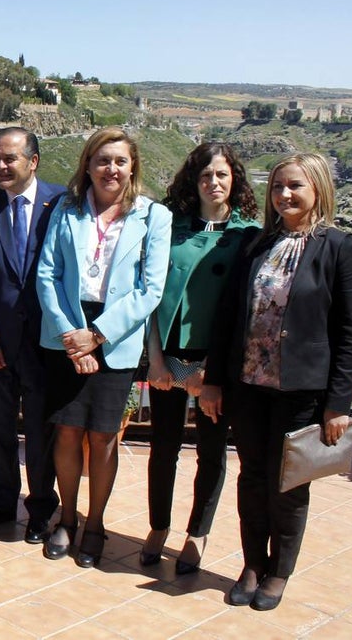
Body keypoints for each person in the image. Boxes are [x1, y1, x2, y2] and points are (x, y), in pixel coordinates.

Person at [204, 152, 352, 611]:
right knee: (252, 477)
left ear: (318, 190)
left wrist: (338, 404)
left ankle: (279, 572)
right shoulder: (254, 244)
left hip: (303, 391)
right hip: (249, 385)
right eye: (277, 187)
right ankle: (252, 564)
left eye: (295, 186)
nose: (284, 195)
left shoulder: (341, 248)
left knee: (288, 484)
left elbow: (351, 332)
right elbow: (227, 317)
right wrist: (214, 381)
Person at [35, 128, 170, 567]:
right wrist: (71, 334)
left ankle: (95, 524)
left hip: (116, 337)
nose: (111, 169)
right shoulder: (66, 209)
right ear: (88, 165)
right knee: (68, 430)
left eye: (120, 161)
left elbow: (151, 290)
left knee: (103, 436)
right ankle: (67, 518)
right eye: (102, 160)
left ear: (133, 167)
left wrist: (98, 335)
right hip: (67, 335)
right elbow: (47, 274)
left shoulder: (153, 216)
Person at [140, 143, 259, 573]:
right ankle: (158, 526)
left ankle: (197, 532)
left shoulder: (248, 234)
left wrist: (212, 371)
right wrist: (154, 360)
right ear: (194, 180)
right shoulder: (172, 227)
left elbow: (247, 310)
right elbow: (151, 297)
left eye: (222, 175)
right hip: (167, 356)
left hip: (215, 364)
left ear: (235, 181)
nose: (214, 183)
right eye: (206, 175)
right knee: (163, 447)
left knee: (210, 451)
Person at [0, 127, 64, 541]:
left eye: (11, 159)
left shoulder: (60, 203)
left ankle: (40, 510)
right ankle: (0, 505)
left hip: (44, 343)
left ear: (33, 161)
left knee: (41, 432)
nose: (1, 167)